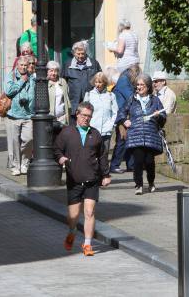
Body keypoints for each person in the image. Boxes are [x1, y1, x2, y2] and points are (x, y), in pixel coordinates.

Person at [54, 101, 111, 257]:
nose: (87, 119)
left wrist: (105, 175)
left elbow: (102, 156)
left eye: (89, 116)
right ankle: (72, 232)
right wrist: (61, 158)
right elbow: (57, 149)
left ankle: (87, 244)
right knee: (73, 217)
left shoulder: (95, 134)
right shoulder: (67, 133)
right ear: (77, 115)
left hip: (92, 179)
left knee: (89, 212)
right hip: (74, 180)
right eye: (84, 115)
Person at [116, 74, 166, 195]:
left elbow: (163, 117)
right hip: (135, 134)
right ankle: (138, 185)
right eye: (138, 84)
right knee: (137, 161)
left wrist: (159, 115)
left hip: (150, 135)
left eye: (142, 85)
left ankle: (151, 182)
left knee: (149, 162)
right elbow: (121, 112)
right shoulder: (132, 99)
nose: (139, 87)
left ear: (148, 86)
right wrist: (124, 121)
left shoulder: (155, 100)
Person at [5, 55, 36, 176]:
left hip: (28, 115)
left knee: (29, 139)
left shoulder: (32, 77)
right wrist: (21, 81)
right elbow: (8, 91)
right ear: (17, 65)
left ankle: (25, 163)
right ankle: (16, 166)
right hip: (14, 114)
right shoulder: (11, 76)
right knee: (14, 142)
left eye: (25, 65)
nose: (23, 67)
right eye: (21, 65)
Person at [110, 64, 141, 173]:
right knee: (122, 139)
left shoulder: (125, 79)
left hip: (125, 113)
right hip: (122, 114)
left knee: (129, 140)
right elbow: (130, 96)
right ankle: (114, 165)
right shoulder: (124, 79)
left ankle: (131, 165)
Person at [63, 41, 101, 121]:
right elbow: (63, 82)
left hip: (90, 101)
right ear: (74, 53)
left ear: (86, 52)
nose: (80, 56)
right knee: (74, 129)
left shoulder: (94, 64)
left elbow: (101, 80)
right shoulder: (67, 64)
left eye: (82, 53)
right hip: (73, 103)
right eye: (78, 54)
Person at [83, 72, 118, 157]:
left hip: (106, 130)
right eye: (96, 82)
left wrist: (111, 124)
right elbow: (84, 112)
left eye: (100, 82)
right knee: (92, 153)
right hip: (92, 129)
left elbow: (115, 112)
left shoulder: (111, 95)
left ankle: (104, 170)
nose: (97, 84)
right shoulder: (89, 95)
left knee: (104, 154)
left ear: (104, 83)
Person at [46, 61, 71, 128]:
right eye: (51, 71)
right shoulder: (45, 83)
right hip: (50, 118)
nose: (54, 73)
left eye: (56, 71)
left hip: (62, 117)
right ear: (47, 71)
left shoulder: (63, 81)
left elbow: (66, 97)